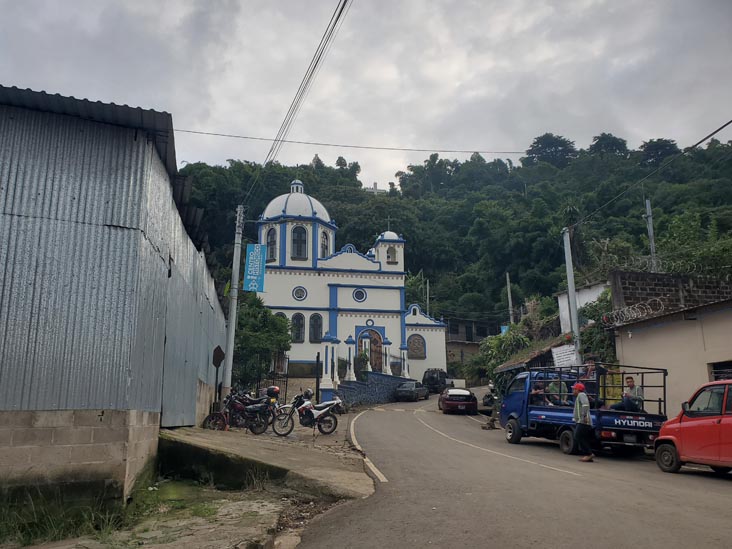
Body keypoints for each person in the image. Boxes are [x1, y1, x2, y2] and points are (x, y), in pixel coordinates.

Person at [572, 382, 595, 462]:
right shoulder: (579, 396)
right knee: (582, 437)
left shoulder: (581, 395)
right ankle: (588, 455)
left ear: (577, 389)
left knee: (577, 436)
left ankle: (589, 454)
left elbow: (585, 405)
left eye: (574, 389)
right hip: (581, 421)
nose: (573, 390)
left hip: (583, 421)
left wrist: (584, 416)